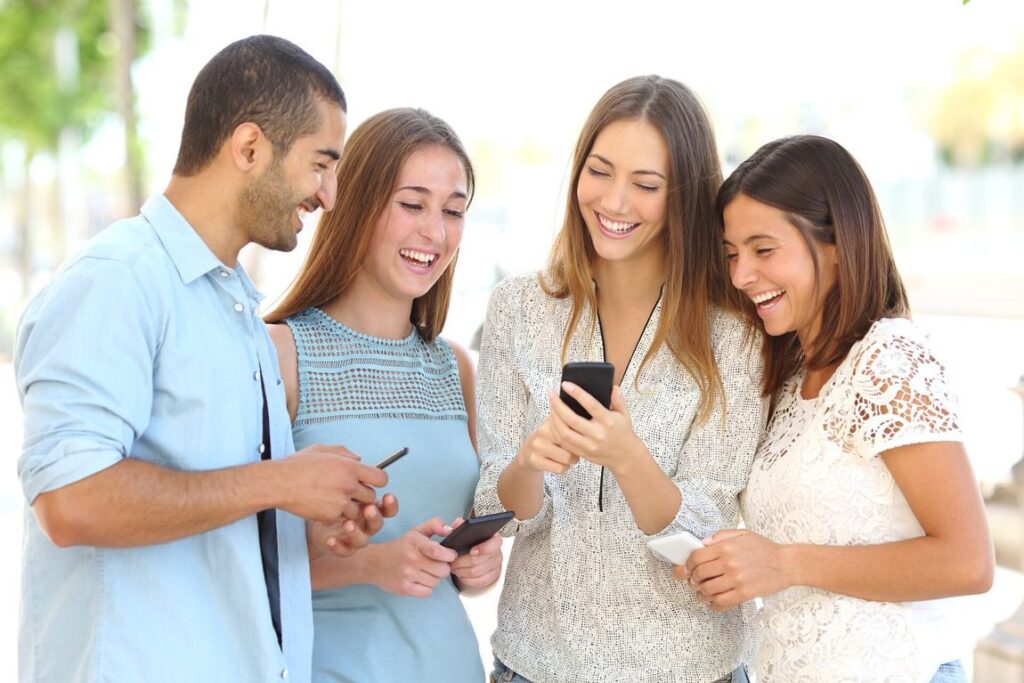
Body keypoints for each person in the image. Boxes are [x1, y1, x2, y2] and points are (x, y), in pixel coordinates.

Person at [15, 35, 394, 683]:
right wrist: (280, 481)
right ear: (249, 148)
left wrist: (309, 522)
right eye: (321, 164)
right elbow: (70, 500)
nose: (329, 195)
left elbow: (210, 514)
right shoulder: (117, 280)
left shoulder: (235, 305)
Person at [472, 75, 768, 683]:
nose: (614, 201)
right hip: (535, 665)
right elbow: (494, 511)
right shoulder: (518, 309)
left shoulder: (735, 334)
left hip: (690, 670)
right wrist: (529, 462)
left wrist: (627, 457)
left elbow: (708, 533)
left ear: (684, 197)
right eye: (599, 171)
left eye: (646, 184)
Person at [681, 134, 994, 682]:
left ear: (835, 242)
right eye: (732, 254)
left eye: (763, 249)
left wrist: (784, 563)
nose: (741, 275)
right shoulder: (793, 374)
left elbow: (968, 562)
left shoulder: (889, 360)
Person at [265, 107, 502, 682]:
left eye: (453, 211)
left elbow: (458, 571)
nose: (435, 232)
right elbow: (234, 561)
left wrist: (478, 567)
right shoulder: (279, 353)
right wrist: (370, 564)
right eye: (412, 204)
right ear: (357, 201)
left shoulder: (457, 370)